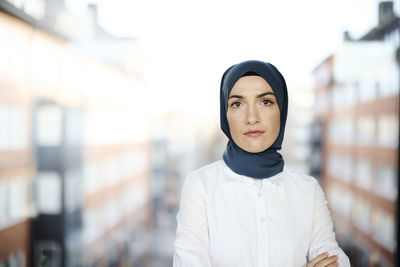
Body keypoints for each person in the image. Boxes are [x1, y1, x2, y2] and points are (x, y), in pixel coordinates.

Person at [173, 60, 350, 267]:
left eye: (265, 102)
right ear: (225, 114)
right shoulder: (200, 186)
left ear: (281, 109)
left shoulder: (308, 190)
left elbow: (334, 259)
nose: (252, 118)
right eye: (237, 104)